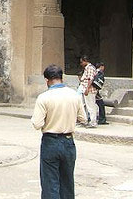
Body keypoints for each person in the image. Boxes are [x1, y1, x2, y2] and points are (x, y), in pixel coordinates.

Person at [31, 64, 86, 199]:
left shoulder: (44, 97)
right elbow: (83, 119)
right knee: (67, 182)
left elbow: (37, 124)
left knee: (50, 183)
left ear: (47, 80)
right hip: (68, 141)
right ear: (62, 78)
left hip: (50, 141)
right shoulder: (74, 95)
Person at [79, 55, 98, 128]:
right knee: (85, 106)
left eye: (82, 62)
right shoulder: (87, 68)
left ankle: (93, 122)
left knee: (91, 106)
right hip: (84, 88)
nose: (81, 64)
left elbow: (90, 79)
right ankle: (86, 120)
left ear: (85, 61)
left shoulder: (90, 68)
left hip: (89, 90)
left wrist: (87, 88)